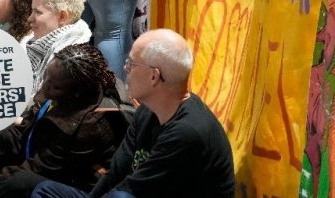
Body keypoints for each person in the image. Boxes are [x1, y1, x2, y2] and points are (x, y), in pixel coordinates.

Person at [32, 29, 235, 198]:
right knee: (46, 191)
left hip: (140, 194)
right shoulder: (147, 111)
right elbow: (116, 173)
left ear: (153, 76)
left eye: (131, 64)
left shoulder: (189, 132)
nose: (124, 69)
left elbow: (134, 189)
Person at [0, 44, 129, 198]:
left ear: (75, 92)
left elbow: (34, 169)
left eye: (54, 86)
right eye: (45, 77)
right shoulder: (57, 92)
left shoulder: (87, 126)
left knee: (19, 181)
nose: (44, 87)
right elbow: (23, 132)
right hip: (39, 159)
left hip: (74, 186)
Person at [23, 0, 92, 91]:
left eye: (38, 12)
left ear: (62, 16)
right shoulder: (41, 45)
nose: (29, 19)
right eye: (32, 11)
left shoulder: (68, 63)